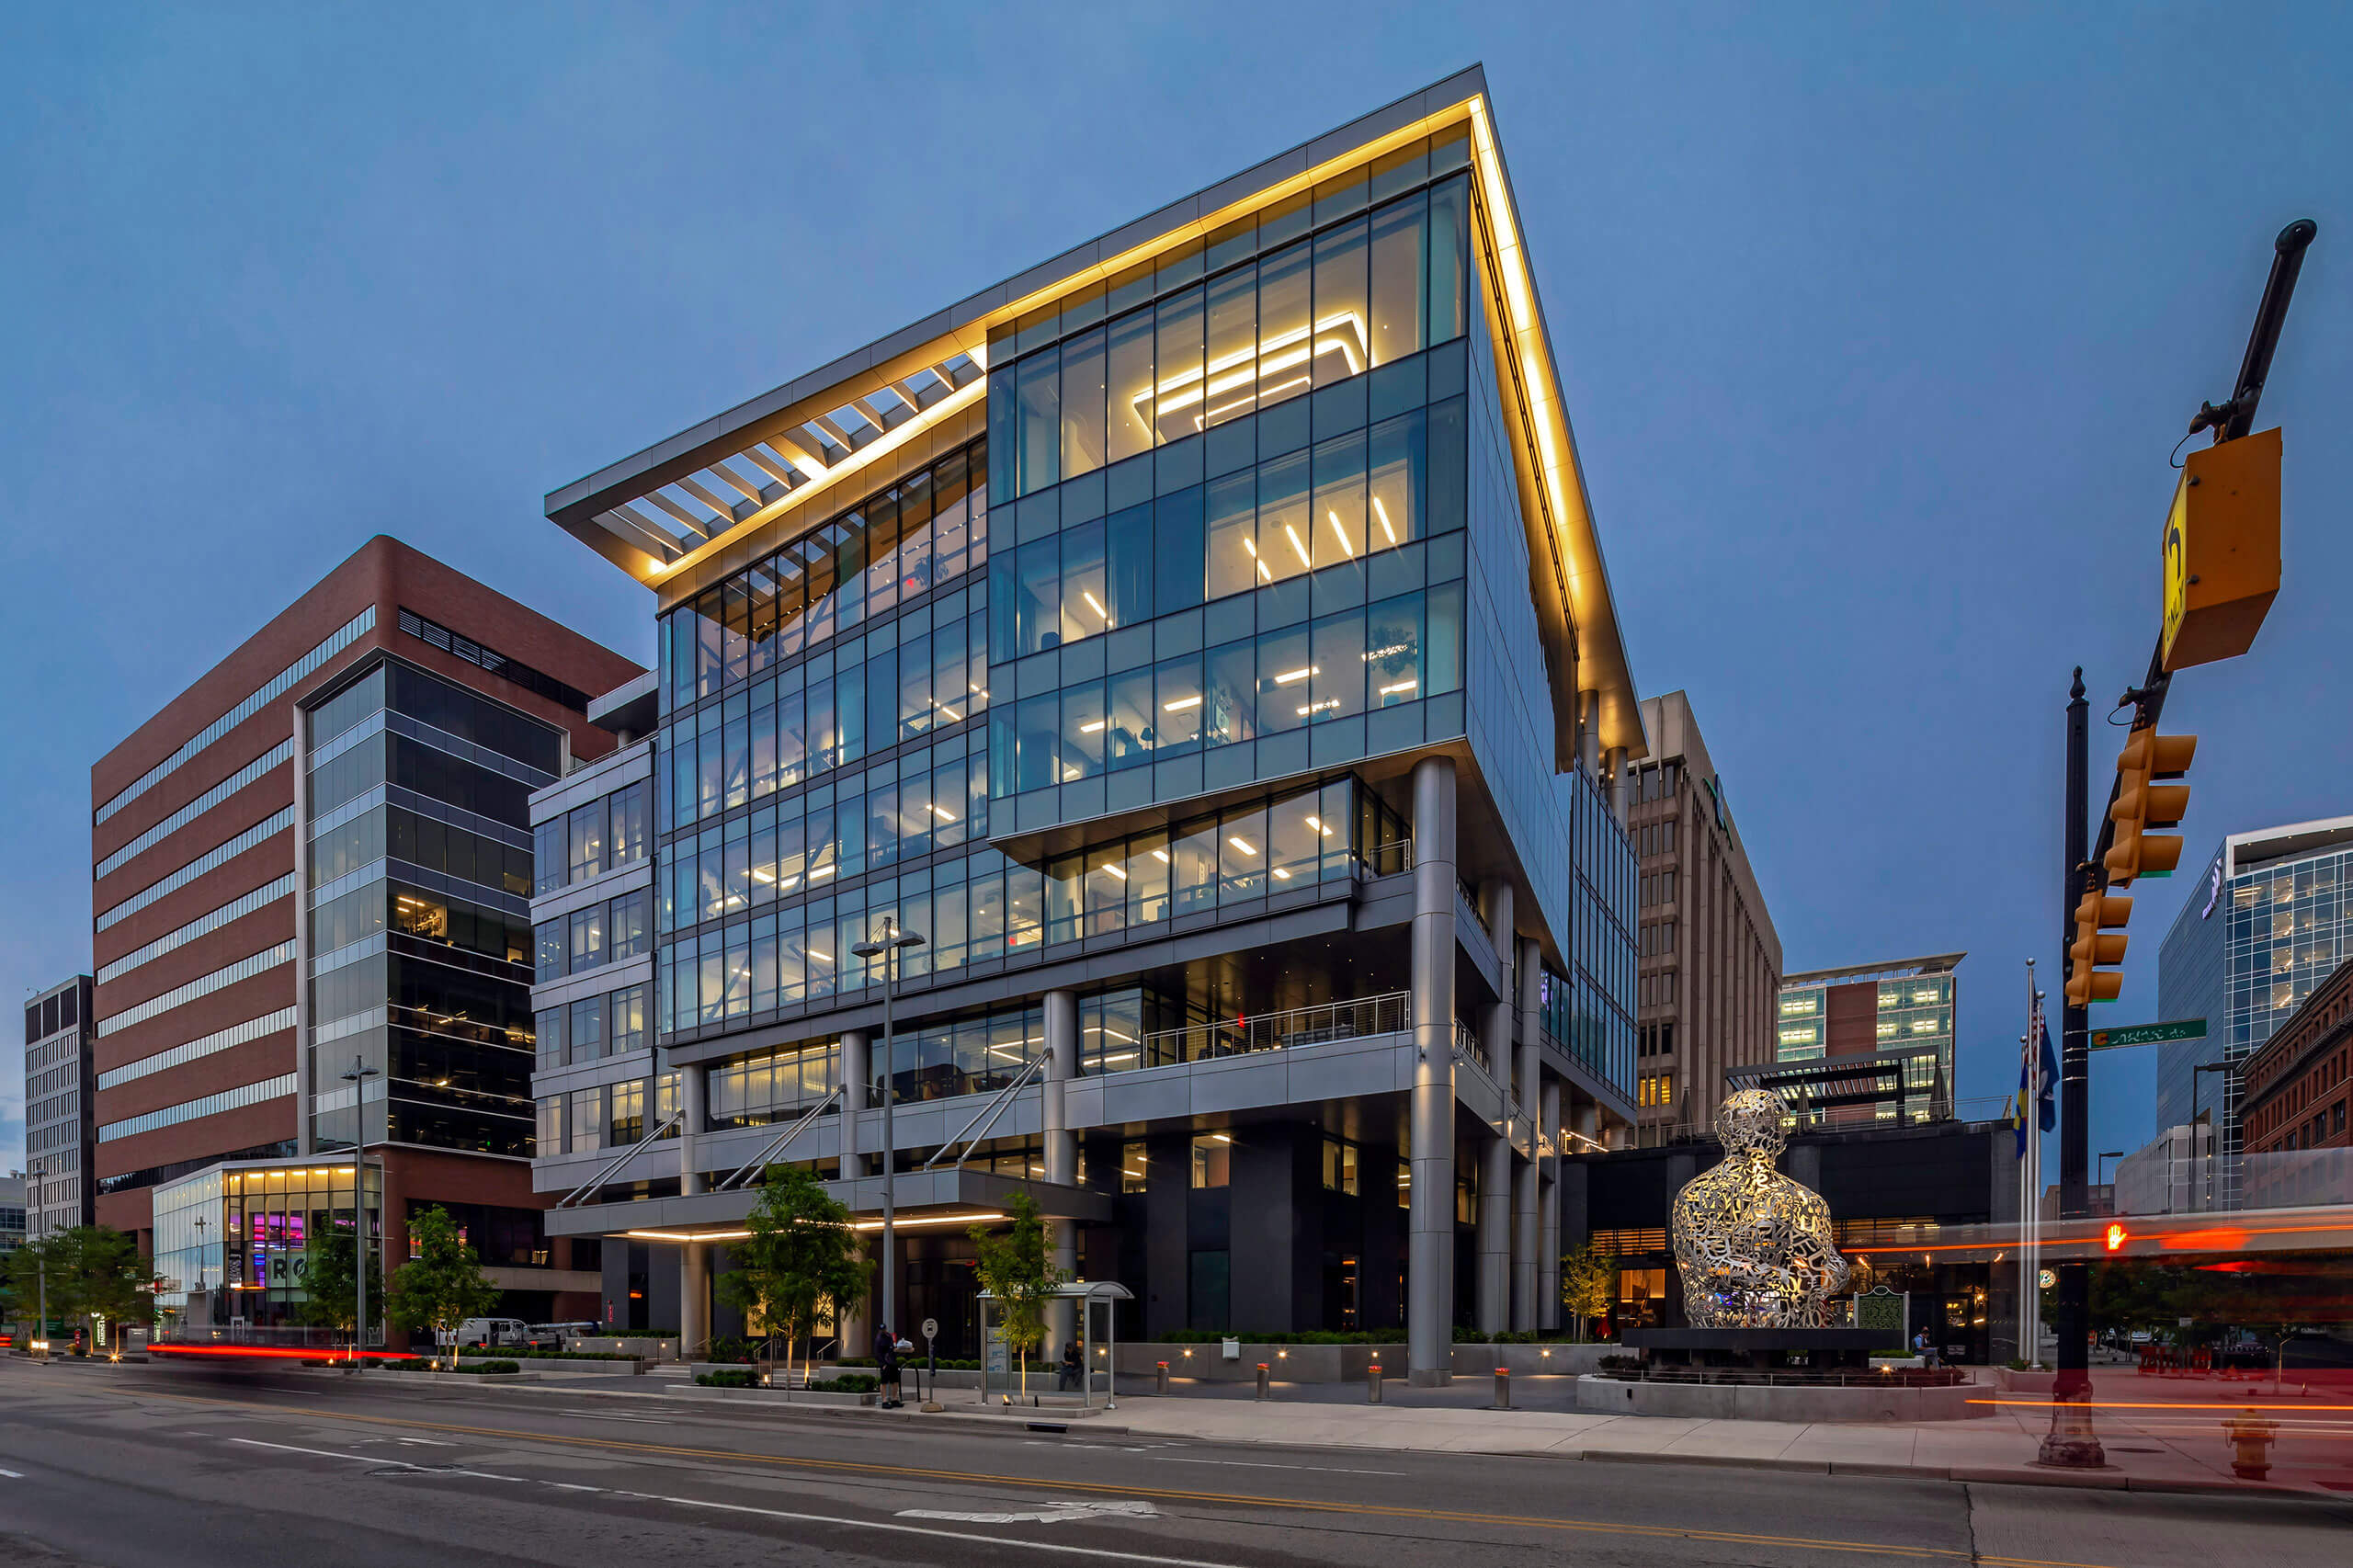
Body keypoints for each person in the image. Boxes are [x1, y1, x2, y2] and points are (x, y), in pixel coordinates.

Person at [875, 1324, 904, 1407]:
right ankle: (884, 1401)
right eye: (881, 1329)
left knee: (895, 1381)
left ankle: (894, 1399)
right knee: (884, 1382)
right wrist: (882, 1364)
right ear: (879, 1330)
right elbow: (877, 1353)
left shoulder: (889, 1336)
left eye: (884, 1329)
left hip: (892, 1362)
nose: (883, 1330)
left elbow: (893, 1348)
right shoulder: (878, 1339)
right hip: (885, 1363)